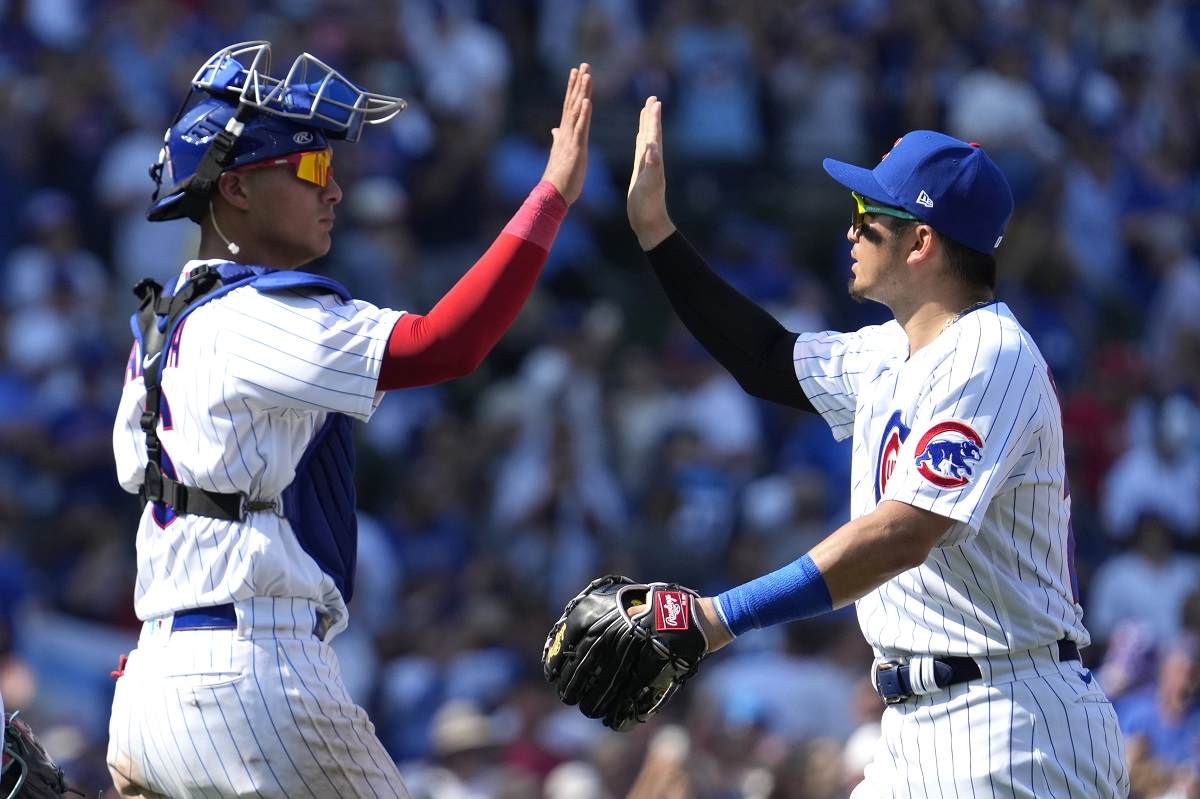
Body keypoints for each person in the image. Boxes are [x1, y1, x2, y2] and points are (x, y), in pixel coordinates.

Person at [107, 41, 591, 799]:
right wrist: (551, 196)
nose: (332, 189)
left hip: (150, 686)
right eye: (309, 168)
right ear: (235, 189)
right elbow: (444, 345)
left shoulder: (161, 325)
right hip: (252, 673)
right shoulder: (256, 311)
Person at [624, 97, 1128, 797]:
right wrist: (657, 234)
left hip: (1010, 722)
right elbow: (766, 358)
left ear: (920, 242)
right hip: (919, 729)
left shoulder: (990, 352)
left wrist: (718, 616)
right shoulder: (891, 351)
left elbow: (900, 533)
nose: (850, 232)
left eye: (867, 217)